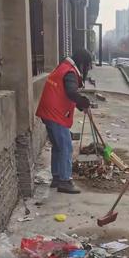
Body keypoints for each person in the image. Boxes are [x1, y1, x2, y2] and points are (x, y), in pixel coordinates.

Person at [36, 49, 92, 194]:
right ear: (81, 63)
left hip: (49, 112)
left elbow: (66, 93)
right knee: (66, 147)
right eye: (87, 66)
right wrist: (84, 102)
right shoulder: (70, 72)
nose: (86, 70)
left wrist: (80, 105)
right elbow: (71, 92)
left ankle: (57, 177)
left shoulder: (63, 68)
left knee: (58, 146)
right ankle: (65, 181)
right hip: (55, 114)